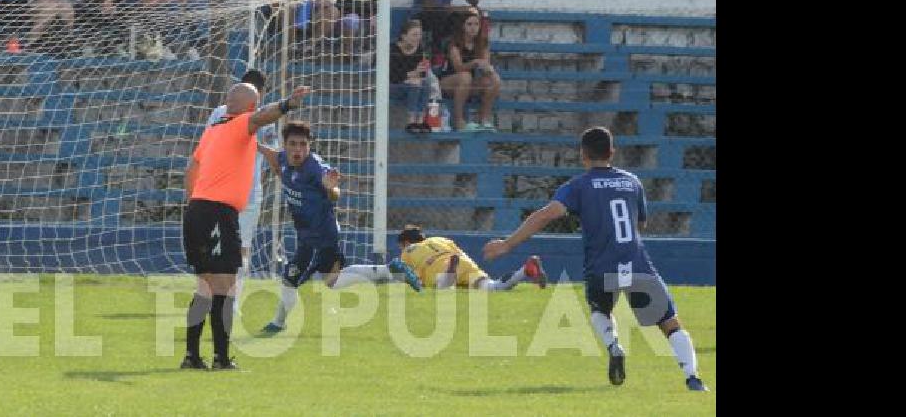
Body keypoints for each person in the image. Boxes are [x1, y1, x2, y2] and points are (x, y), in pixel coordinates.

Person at [482, 126, 709, 391]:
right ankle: (693, 378)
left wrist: (507, 244)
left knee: (600, 310)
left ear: (583, 155)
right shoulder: (632, 182)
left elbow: (545, 214)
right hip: (637, 265)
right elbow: (641, 224)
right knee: (670, 323)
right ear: (612, 152)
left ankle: (614, 346)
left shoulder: (578, 186)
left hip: (602, 267)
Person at [180, 82, 312, 370]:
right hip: (217, 213)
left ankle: (192, 357)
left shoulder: (213, 131)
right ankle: (222, 359)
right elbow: (260, 117)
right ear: (250, 106)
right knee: (225, 286)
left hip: (197, 211)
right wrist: (287, 104)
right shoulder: (241, 123)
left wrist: (194, 204)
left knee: (204, 286)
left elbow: (191, 169)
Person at [257, 120, 421, 335]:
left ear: (310, 145)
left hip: (319, 237)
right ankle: (390, 271)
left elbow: (334, 193)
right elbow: (272, 156)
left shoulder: (315, 168)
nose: (298, 149)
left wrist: (331, 188)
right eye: (293, 144)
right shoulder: (283, 160)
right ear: (285, 145)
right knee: (332, 280)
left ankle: (277, 324)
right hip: (314, 235)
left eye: (303, 144)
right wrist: (251, 142)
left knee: (291, 278)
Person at [204, 70, 277, 318]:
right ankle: (230, 303)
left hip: (222, 190)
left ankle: (222, 301)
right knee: (240, 249)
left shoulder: (220, 113)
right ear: (262, 93)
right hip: (245, 191)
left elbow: (207, 147)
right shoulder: (265, 117)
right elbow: (273, 156)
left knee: (222, 248)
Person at [398, 225, 545, 291]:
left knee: (441, 289)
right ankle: (525, 270)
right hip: (463, 263)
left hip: (439, 267)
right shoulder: (440, 239)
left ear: (405, 243)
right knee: (492, 287)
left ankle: (449, 275)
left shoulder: (408, 251)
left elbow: (412, 279)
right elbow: (458, 252)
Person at [444, 9, 500, 132]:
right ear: (462, 26)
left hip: (469, 83)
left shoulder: (482, 43)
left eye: (476, 24)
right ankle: (459, 121)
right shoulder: (454, 43)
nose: (473, 28)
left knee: (494, 79)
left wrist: (487, 68)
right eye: (469, 24)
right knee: (465, 76)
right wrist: (474, 63)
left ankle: (484, 119)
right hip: (448, 81)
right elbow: (458, 67)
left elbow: (485, 63)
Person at [390, 19, 435, 133]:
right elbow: (393, 76)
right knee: (415, 84)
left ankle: (420, 120)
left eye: (419, 34)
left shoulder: (420, 50)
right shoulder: (393, 49)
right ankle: (411, 121)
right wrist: (413, 74)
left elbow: (422, 75)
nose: (418, 38)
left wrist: (421, 71)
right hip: (394, 86)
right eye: (414, 35)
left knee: (425, 83)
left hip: (413, 84)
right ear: (404, 36)